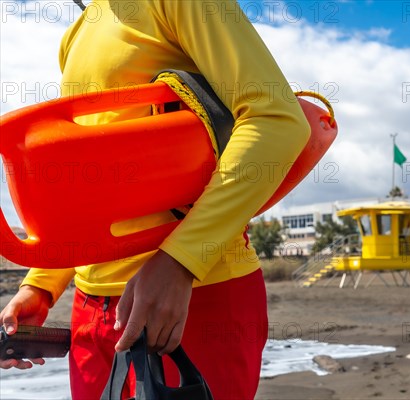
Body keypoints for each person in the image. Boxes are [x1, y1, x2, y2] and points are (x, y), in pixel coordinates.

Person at [0, 1, 310, 399]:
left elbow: (278, 119)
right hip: (90, 313)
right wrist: (40, 286)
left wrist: (181, 262)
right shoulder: (77, 32)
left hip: (192, 295)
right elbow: (87, 188)